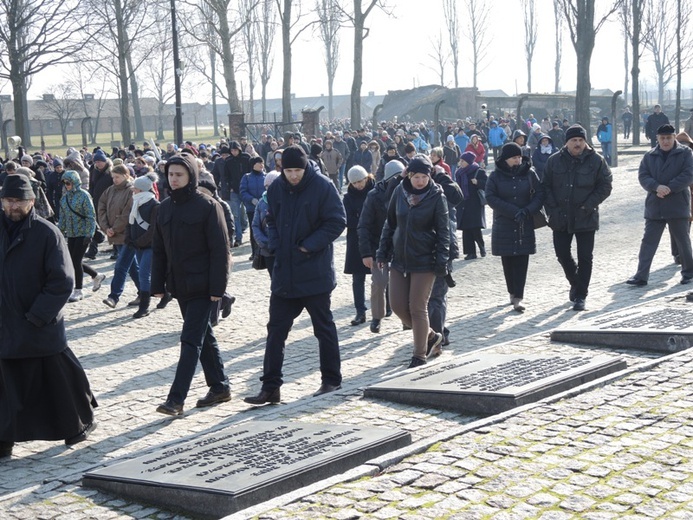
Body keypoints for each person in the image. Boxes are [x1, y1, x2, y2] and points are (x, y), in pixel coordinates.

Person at [0, 175, 97, 458]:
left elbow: (62, 281)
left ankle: (78, 425)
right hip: (5, 323)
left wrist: (38, 316)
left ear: (32, 201)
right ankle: (4, 438)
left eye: (19, 200)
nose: (13, 205)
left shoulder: (47, 233)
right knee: (6, 387)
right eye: (8, 200)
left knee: (60, 381)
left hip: (38, 324)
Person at [244, 145, 346, 405]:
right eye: (288, 170)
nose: (293, 175)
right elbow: (271, 219)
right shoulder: (276, 187)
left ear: (305, 167)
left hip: (315, 271)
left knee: (323, 328)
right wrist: (276, 245)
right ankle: (270, 387)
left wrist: (308, 245)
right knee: (275, 331)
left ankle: (331, 379)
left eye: (297, 170)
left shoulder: (323, 186)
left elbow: (337, 221)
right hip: (284, 272)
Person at [151, 154, 231, 416]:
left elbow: (221, 250)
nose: (174, 179)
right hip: (179, 285)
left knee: (190, 340)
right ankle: (219, 386)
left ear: (191, 177)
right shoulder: (163, 208)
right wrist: (157, 283)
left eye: (179, 175)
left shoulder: (208, 206)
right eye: (171, 175)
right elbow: (159, 249)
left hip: (204, 286)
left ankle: (176, 399)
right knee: (203, 336)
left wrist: (218, 290)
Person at [376, 155, 450, 369]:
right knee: (398, 305)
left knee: (417, 307)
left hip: (425, 259)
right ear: (409, 175)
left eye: (424, 176)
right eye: (416, 176)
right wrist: (382, 252)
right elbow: (389, 224)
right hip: (400, 258)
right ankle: (432, 336)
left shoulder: (437, 196)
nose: (420, 181)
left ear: (430, 176)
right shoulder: (400, 191)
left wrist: (442, 260)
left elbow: (444, 232)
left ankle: (419, 355)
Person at [542, 124, 613, 311]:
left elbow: (605, 186)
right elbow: (545, 186)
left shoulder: (596, 161)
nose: (578, 144)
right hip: (560, 217)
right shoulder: (554, 161)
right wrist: (552, 210)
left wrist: (589, 205)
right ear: (566, 142)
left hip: (586, 216)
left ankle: (581, 295)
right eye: (574, 140)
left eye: (581, 140)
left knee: (585, 258)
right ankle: (575, 281)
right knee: (562, 254)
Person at [625, 124, 693, 287]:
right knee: (648, 241)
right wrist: (656, 187)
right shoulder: (649, 155)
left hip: (677, 204)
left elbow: (689, 174)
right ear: (657, 139)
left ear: (674, 137)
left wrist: (670, 187)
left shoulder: (686, 153)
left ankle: (689, 273)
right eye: (662, 138)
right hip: (655, 205)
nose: (665, 141)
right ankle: (641, 275)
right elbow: (643, 176)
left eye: (669, 138)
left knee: (683, 242)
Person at [486, 143, 546, 312]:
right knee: (508, 260)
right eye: (514, 158)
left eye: (519, 157)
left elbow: (540, 193)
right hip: (504, 221)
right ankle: (511, 292)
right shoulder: (495, 176)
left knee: (522, 259)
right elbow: (490, 197)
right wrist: (512, 211)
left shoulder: (529, 173)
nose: (518, 160)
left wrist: (528, 210)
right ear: (506, 159)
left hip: (524, 221)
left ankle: (518, 297)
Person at [358, 160, 403, 333]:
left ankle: (405, 317)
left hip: (402, 246)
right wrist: (366, 253)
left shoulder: (408, 192)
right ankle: (377, 317)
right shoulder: (374, 196)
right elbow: (364, 225)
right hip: (379, 246)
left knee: (403, 283)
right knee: (379, 282)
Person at [58, 170, 106, 302]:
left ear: (75, 182)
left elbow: (91, 216)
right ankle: (96, 275)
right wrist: (58, 234)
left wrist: (89, 234)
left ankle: (78, 290)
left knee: (75, 261)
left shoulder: (84, 195)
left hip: (83, 233)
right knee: (73, 260)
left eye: (68, 182)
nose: (66, 185)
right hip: (72, 233)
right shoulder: (64, 198)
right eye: (64, 183)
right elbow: (62, 219)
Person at [98, 164, 140, 308]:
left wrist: (114, 228)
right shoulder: (110, 190)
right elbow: (101, 207)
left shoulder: (131, 191)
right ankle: (146, 292)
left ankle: (114, 296)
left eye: (117, 177)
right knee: (133, 267)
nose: (114, 180)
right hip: (115, 234)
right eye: (113, 177)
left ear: (126, 176)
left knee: (121, 265)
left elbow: (128, 213)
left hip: (129, 235)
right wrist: (106, 227)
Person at [343, 165, 375, 326]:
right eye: (355, 183)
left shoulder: (375, 192)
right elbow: (347, 219)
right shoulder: (348, 197)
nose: (358, 185)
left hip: (375, 237)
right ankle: (360, 312)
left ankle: (386, 306)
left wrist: (363, 220)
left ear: (367, 177)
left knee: (381, 275)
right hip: (356, 240)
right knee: (358, 278)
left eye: (360, 181)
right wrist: (364, 222)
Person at [126, 174, 160, 319]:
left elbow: (153, 230)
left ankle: (144, 306)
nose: (133, 190)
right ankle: (165, 294)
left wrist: (139, 241)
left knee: (144, 274)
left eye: (136, 188)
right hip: (138, 245)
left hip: (149, 245)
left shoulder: (154, 205)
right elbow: (131, 221)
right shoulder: (136, 202)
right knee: (144, 273)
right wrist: (129, 238)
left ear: (142, 190)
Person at [455, 151, 487, 259]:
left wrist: (477, 182)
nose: (461, 162)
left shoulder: (478, 171)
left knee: (475, 227)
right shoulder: (459, 173)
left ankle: (481, 247)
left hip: (475, 203)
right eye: (460, 160)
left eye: (463, 161)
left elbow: (487, 185)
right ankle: (470, 252)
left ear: (468, 161)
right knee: (466, 229)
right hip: (463, 203)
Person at [252, 171, 280, 276]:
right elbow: (255, 225)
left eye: (271, 185)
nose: (268, 188)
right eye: (266, 186)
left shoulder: (286, 200)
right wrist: (264, 243)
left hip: (282, 249)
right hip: (267, 250)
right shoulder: (261, 202)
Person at [240, 156, 266, 260]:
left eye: (262, 162)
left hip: (265, 208)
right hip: (252, 209)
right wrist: (252, 200)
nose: (261, 165)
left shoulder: (266, 176)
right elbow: (243, 192)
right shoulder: (246, 177)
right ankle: (255, 253)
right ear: (253, 165)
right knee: (254, 230)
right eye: (259, 163)